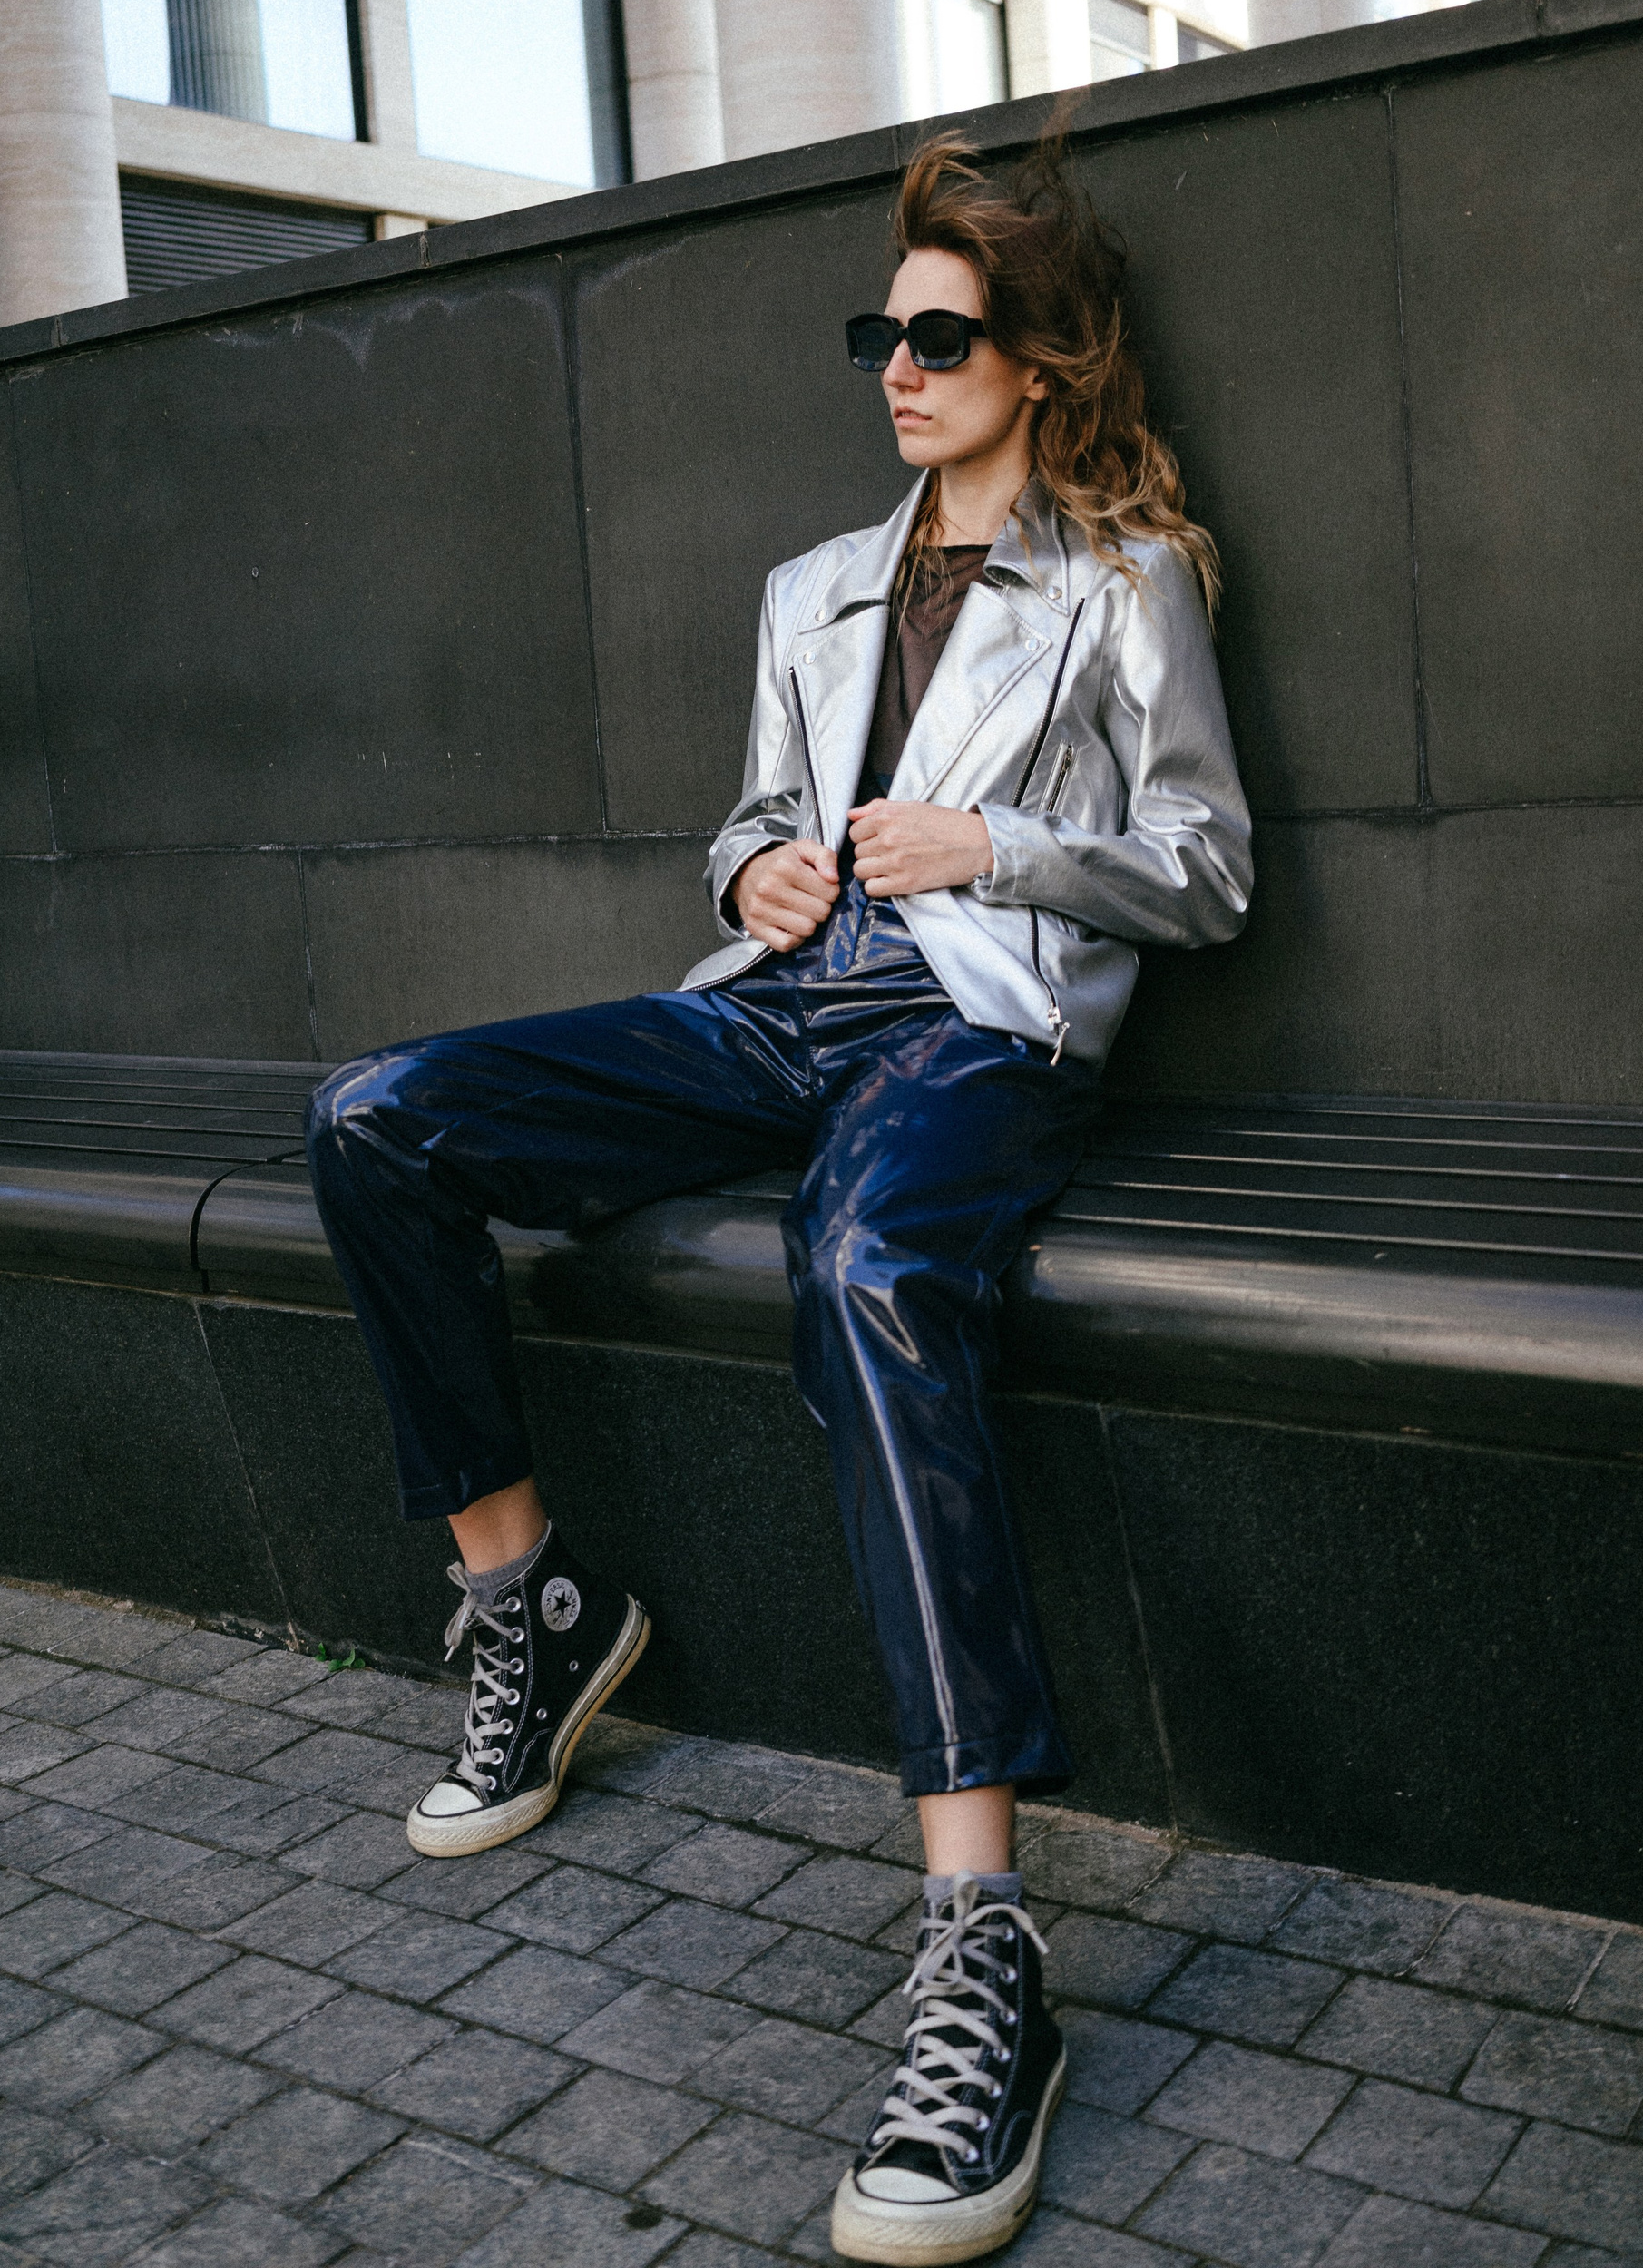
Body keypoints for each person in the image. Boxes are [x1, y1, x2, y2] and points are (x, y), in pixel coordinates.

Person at [306, 130, 1251, 2265]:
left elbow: (1208, 868)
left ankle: (983, 1942)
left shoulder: (1127, 583)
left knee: (866, 1261)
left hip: (979, 1030)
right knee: (375, 1117)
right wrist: (756, 873)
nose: (897, 369)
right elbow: (751, 809)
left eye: (941, 338)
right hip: (780, 1008)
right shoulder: (812, 586)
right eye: (881, 334)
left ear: (1038, 358)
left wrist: (991, 849)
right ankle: (530, 1610)